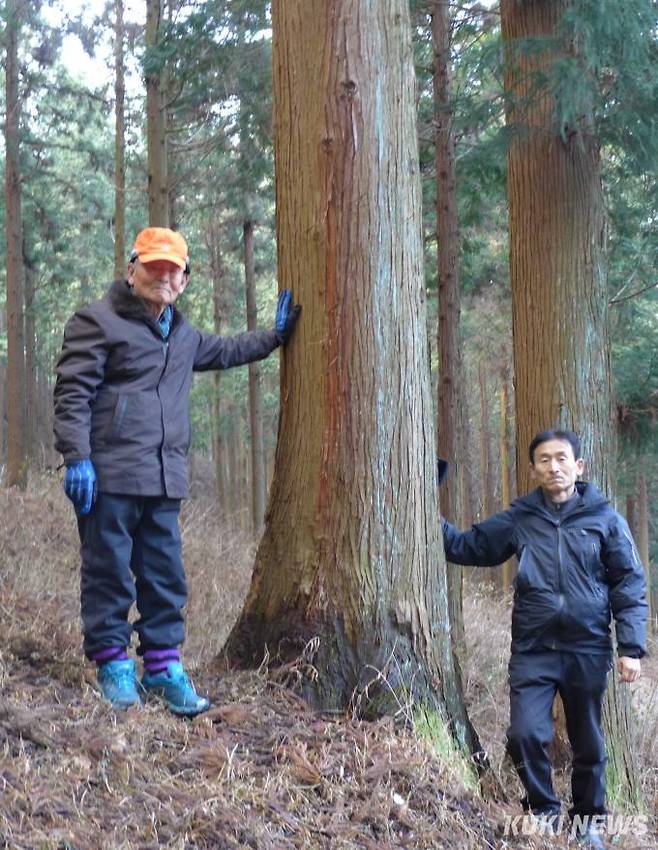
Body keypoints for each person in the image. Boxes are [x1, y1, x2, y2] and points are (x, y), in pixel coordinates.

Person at [53, 227, 301, 716]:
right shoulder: (96, 321)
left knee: (165, 577)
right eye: (153, 266)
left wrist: (274, 337)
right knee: (108, 572)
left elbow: (228, 350)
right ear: (132, 270)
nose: (163, 276)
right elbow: (72, 393)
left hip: (165, 479)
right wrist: (77, 456)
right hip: (111, 475)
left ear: (184, 281)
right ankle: (113, 666)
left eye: (173, 270)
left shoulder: (183, 335)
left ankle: (163, 670)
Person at [442, 429, 647, 848]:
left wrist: (631, 648)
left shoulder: (605, 519)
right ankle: (543, 812)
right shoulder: (521, 518)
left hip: (587, 646)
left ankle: (589, 821)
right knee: (524, 734)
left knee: (587, 739)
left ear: (578, 466)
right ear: (534, 469)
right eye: (544, 460)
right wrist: (424, 505)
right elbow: (468, 547)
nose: (554, 467)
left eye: (561, 458)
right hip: (533, 649)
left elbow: (629, 582)